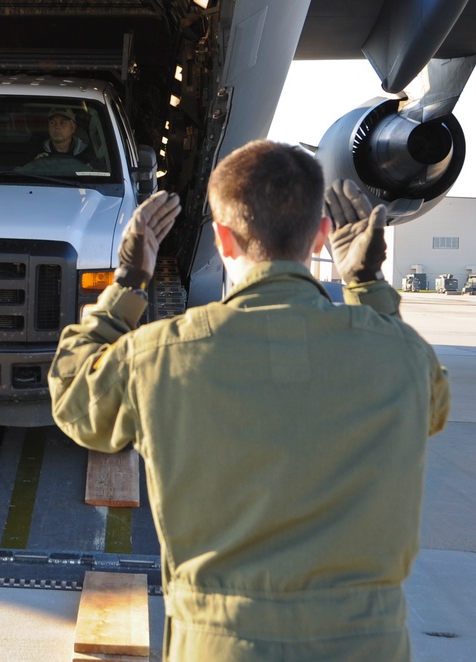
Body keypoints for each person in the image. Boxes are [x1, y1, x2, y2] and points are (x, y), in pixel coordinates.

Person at [49, 139, 450, 661]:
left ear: (222, 237)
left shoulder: (159, 354)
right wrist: (368, 286)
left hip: (219, 644)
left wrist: (128, 282)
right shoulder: (400, 355)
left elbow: (74, 401)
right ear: (321, 234)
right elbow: (433, 405)